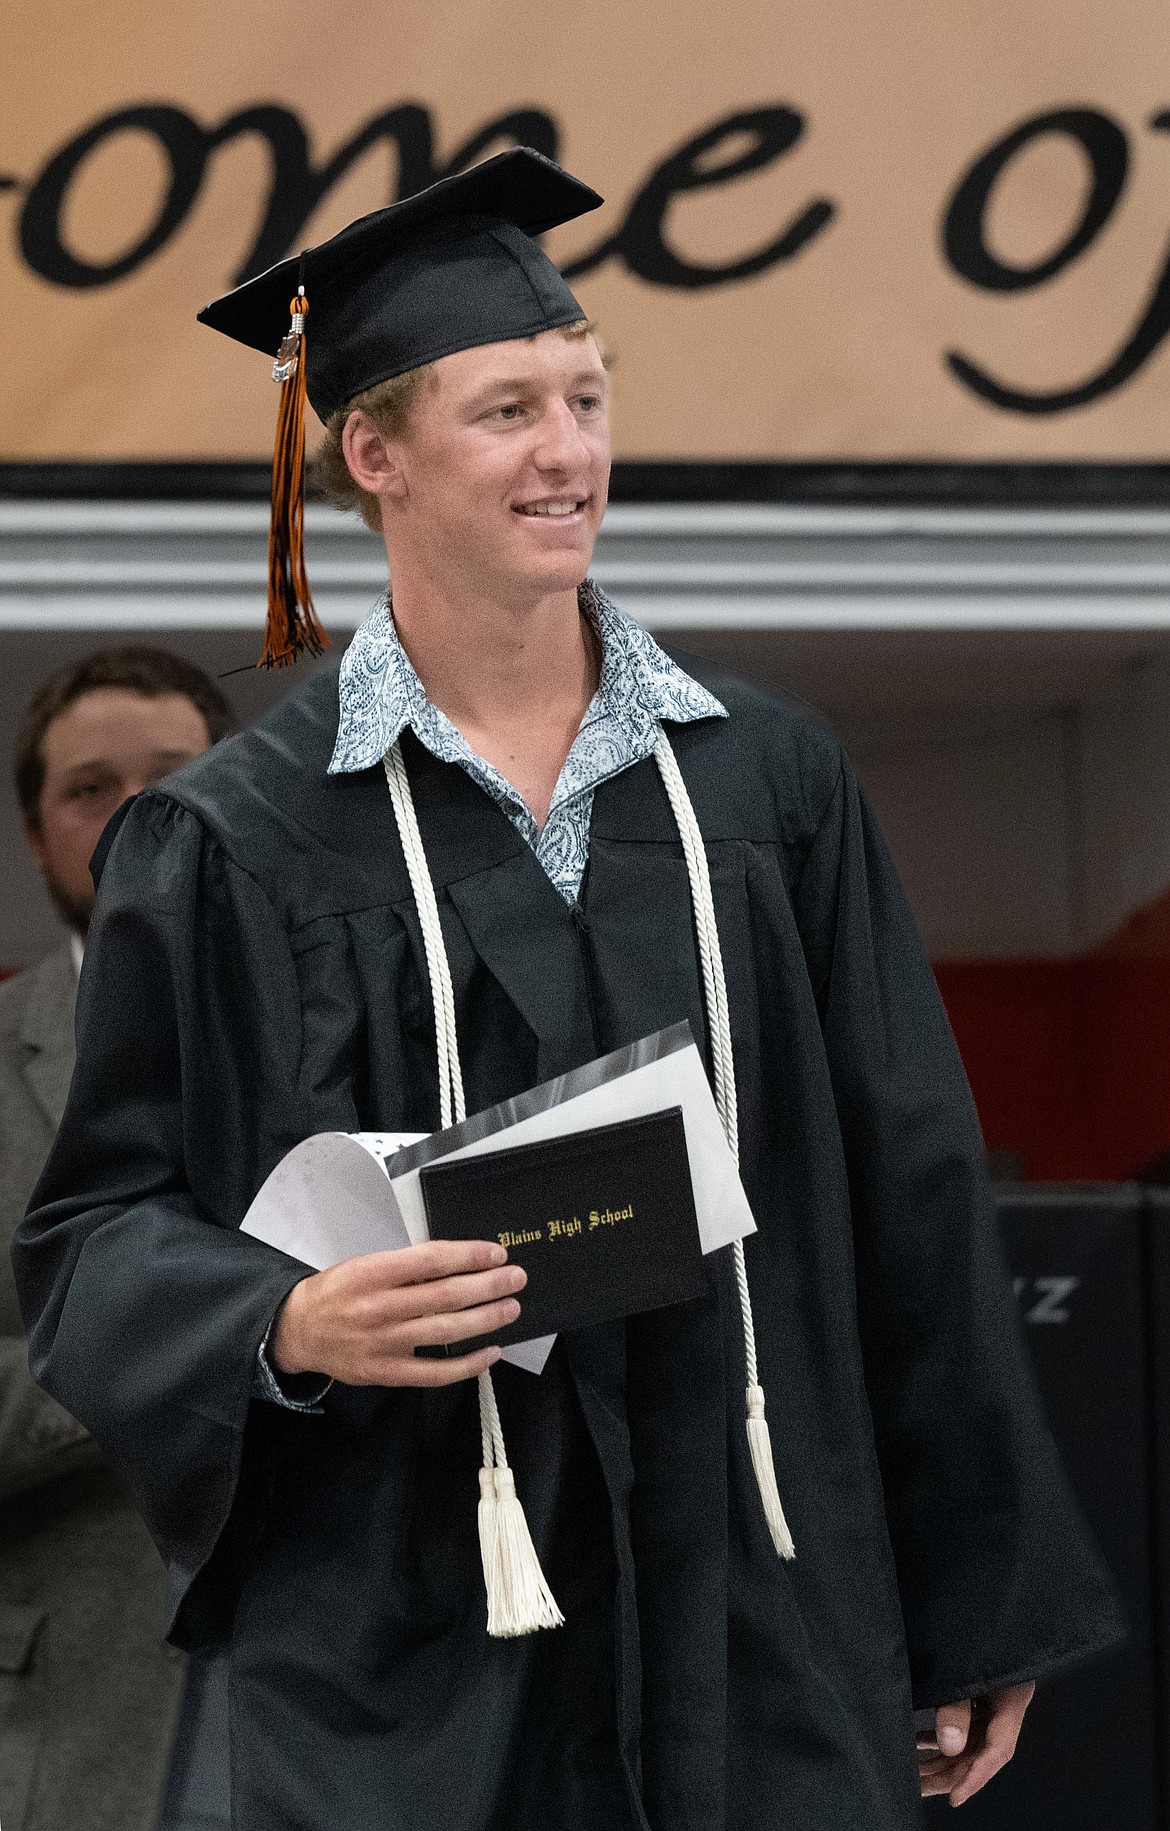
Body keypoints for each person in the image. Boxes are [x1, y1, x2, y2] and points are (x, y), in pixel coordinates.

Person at [14, 150, 1122, 1831]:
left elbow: (913, 1200)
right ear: (374, 454)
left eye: (587, 397)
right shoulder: (231, 839)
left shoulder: (766, 789)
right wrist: (278, 1319)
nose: (569, 450)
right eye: (510, 406)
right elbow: (95, 1232)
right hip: (413, 1625)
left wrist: (971, 1597)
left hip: (759, 1602)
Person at [0, 647, 233, 1831]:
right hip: (66, 1724)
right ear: (37, 838)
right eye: (89, 788)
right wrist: (165, 1352)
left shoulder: (373, 1021)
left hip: (363, 1692)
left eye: (175, 777)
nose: (136, 812)